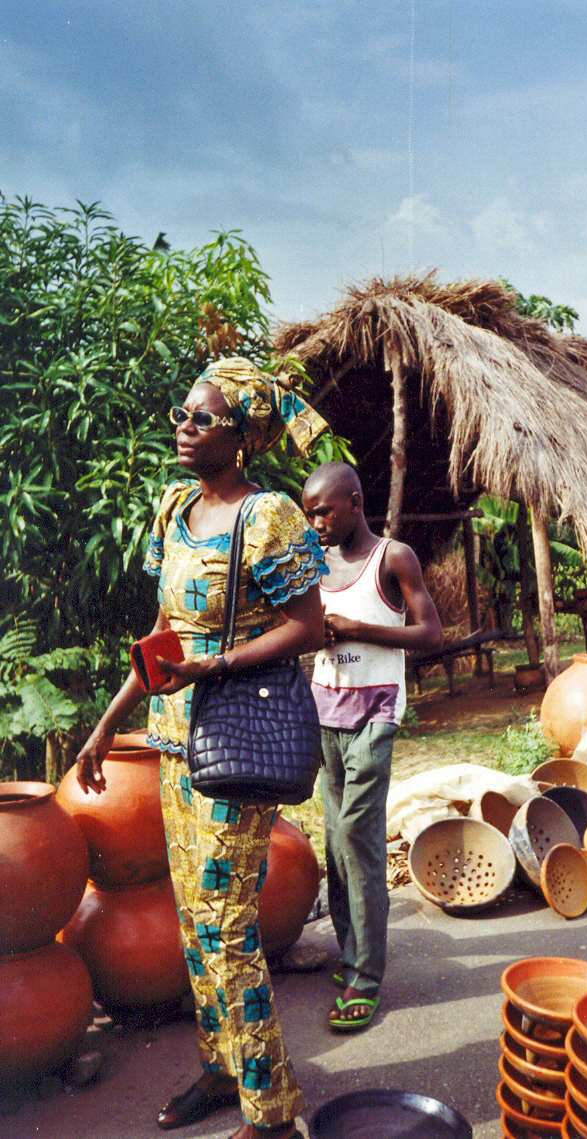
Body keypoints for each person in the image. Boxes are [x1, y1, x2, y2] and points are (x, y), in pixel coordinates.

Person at [76, 357, 328, 1139]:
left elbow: (309, 627)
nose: (184, 428)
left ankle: (272, 1108)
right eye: (180, 415)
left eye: (202, 419)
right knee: (193, 919)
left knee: (224, 919)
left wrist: (215, 664)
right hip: (174, 741)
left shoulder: (270, 516)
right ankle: (224, 1067)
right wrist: (106, 723)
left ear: (242, 436)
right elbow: (163, 634)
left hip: (238, 739)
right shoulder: (175, 507)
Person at [301, 462, 443, 1032]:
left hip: (375, 713)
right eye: (310, 515)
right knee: (335, 838)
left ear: (356, 503)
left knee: (359, 834)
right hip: (324, 712)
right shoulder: (314, 563)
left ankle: (366, 974)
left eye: (324, 512)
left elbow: (430, 634)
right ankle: (351, 950)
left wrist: (357, 630)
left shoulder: (393, 557)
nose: (316, 524)